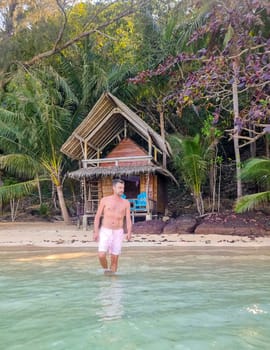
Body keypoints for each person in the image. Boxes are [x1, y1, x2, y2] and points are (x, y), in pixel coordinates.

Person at [93, 178, 132, 273]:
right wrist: (96, 231)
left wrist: (129, 232)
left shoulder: (126, 203)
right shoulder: (105, 200)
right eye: (119, 188)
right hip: (105, 231)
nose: (122, 190)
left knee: (114, 259)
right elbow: (97, 216)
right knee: (101, 255)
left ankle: (113, 282)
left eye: (123, 188)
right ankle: (106, 270)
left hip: (118, 232)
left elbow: (128, 219)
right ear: (113, 188)